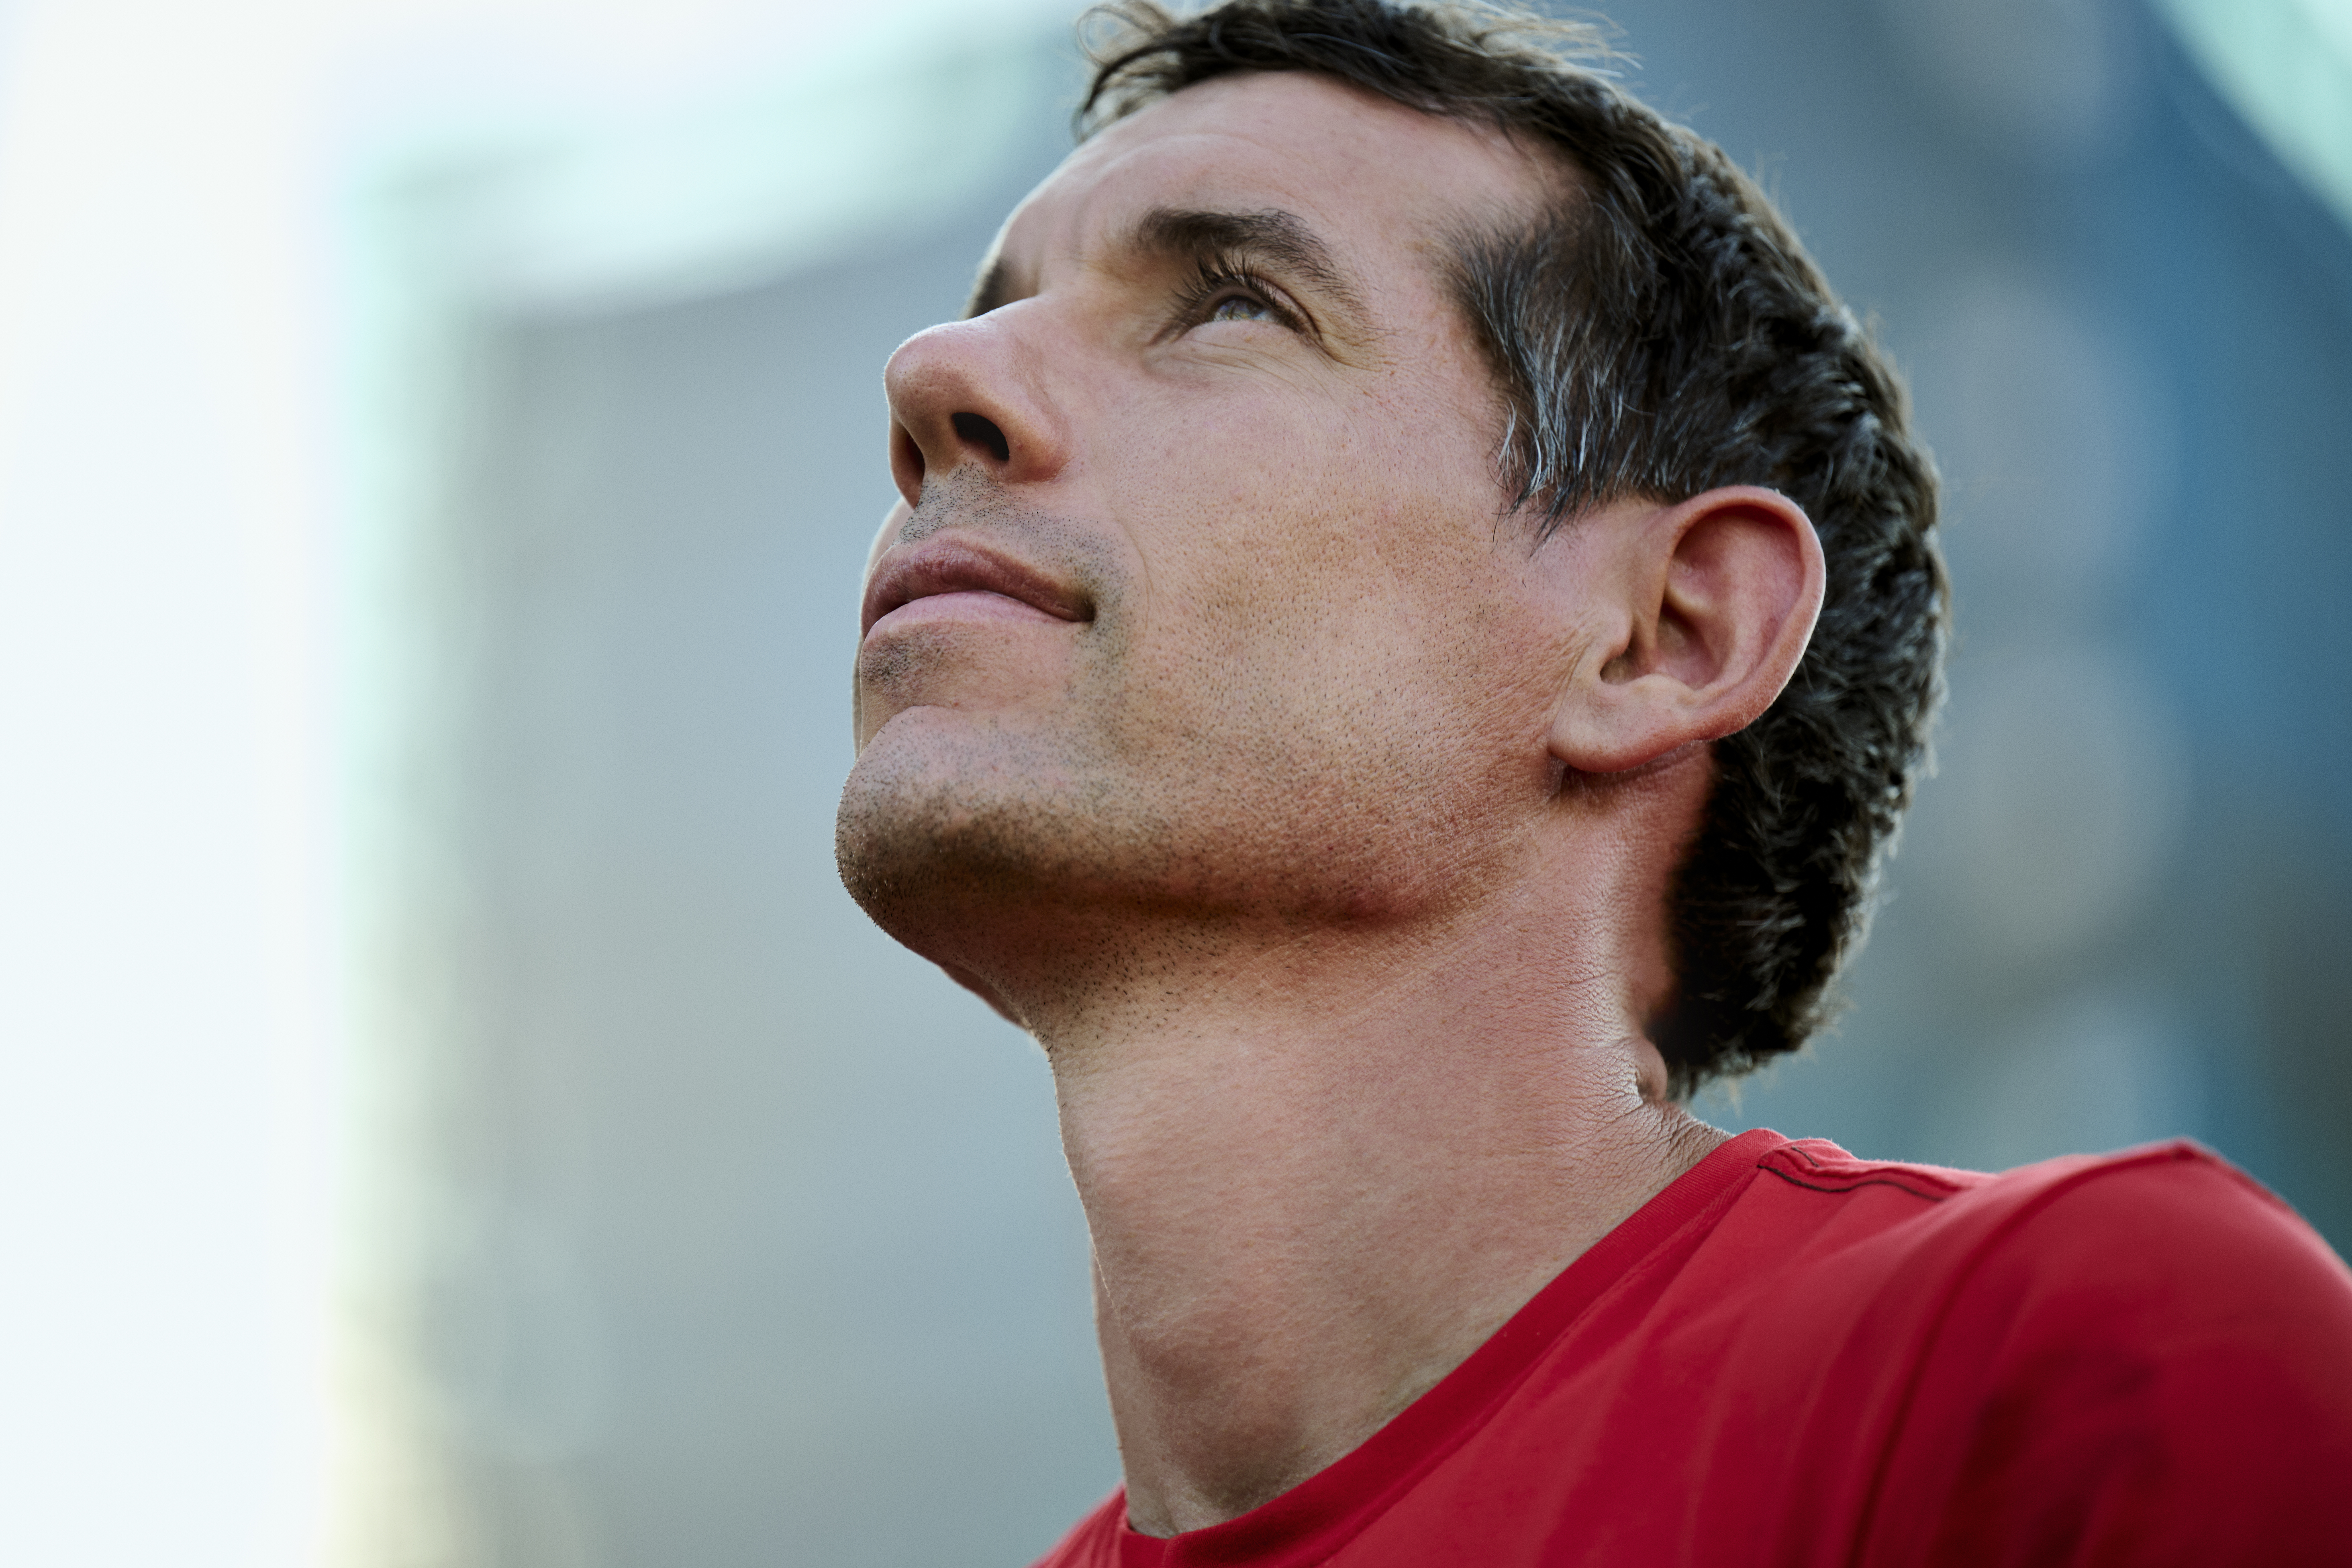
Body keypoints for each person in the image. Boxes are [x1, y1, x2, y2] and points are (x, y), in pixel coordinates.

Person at [834, 1, 2352, 1562]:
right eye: (999, 307)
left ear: (1664, 636)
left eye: (1232, 302)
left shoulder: (2070, 1369)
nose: (934, 373)